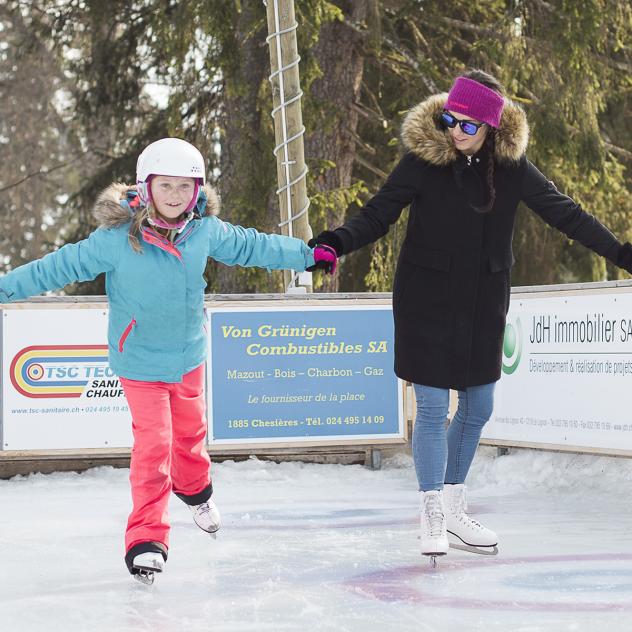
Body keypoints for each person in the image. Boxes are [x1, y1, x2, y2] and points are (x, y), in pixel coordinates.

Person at [308, 70, 632, 559]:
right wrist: (335, 242)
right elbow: (377, 214)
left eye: (466, 124)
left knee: (479, 408)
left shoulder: (513, 169)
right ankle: (432, 508)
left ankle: (455, 504)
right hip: (426, 297)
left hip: (483, 299)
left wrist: (620, 253)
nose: (455, 131)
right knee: (435, 410)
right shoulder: (423, 162)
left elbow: (567, 214)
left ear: (491, 127)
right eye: (449, 119)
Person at [0, 137, 337, 583]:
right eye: (167, 186)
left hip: (188, 356)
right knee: (154, 447)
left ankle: (196, 492)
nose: (176, 196)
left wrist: (306, 254)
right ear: (147, 186)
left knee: (192, 435)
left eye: (185, 187)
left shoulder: (205, 231)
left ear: (197, 190)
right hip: (139, 362)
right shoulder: (116, 239)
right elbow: (54, 268)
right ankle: (146, 539)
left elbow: (253, 246)